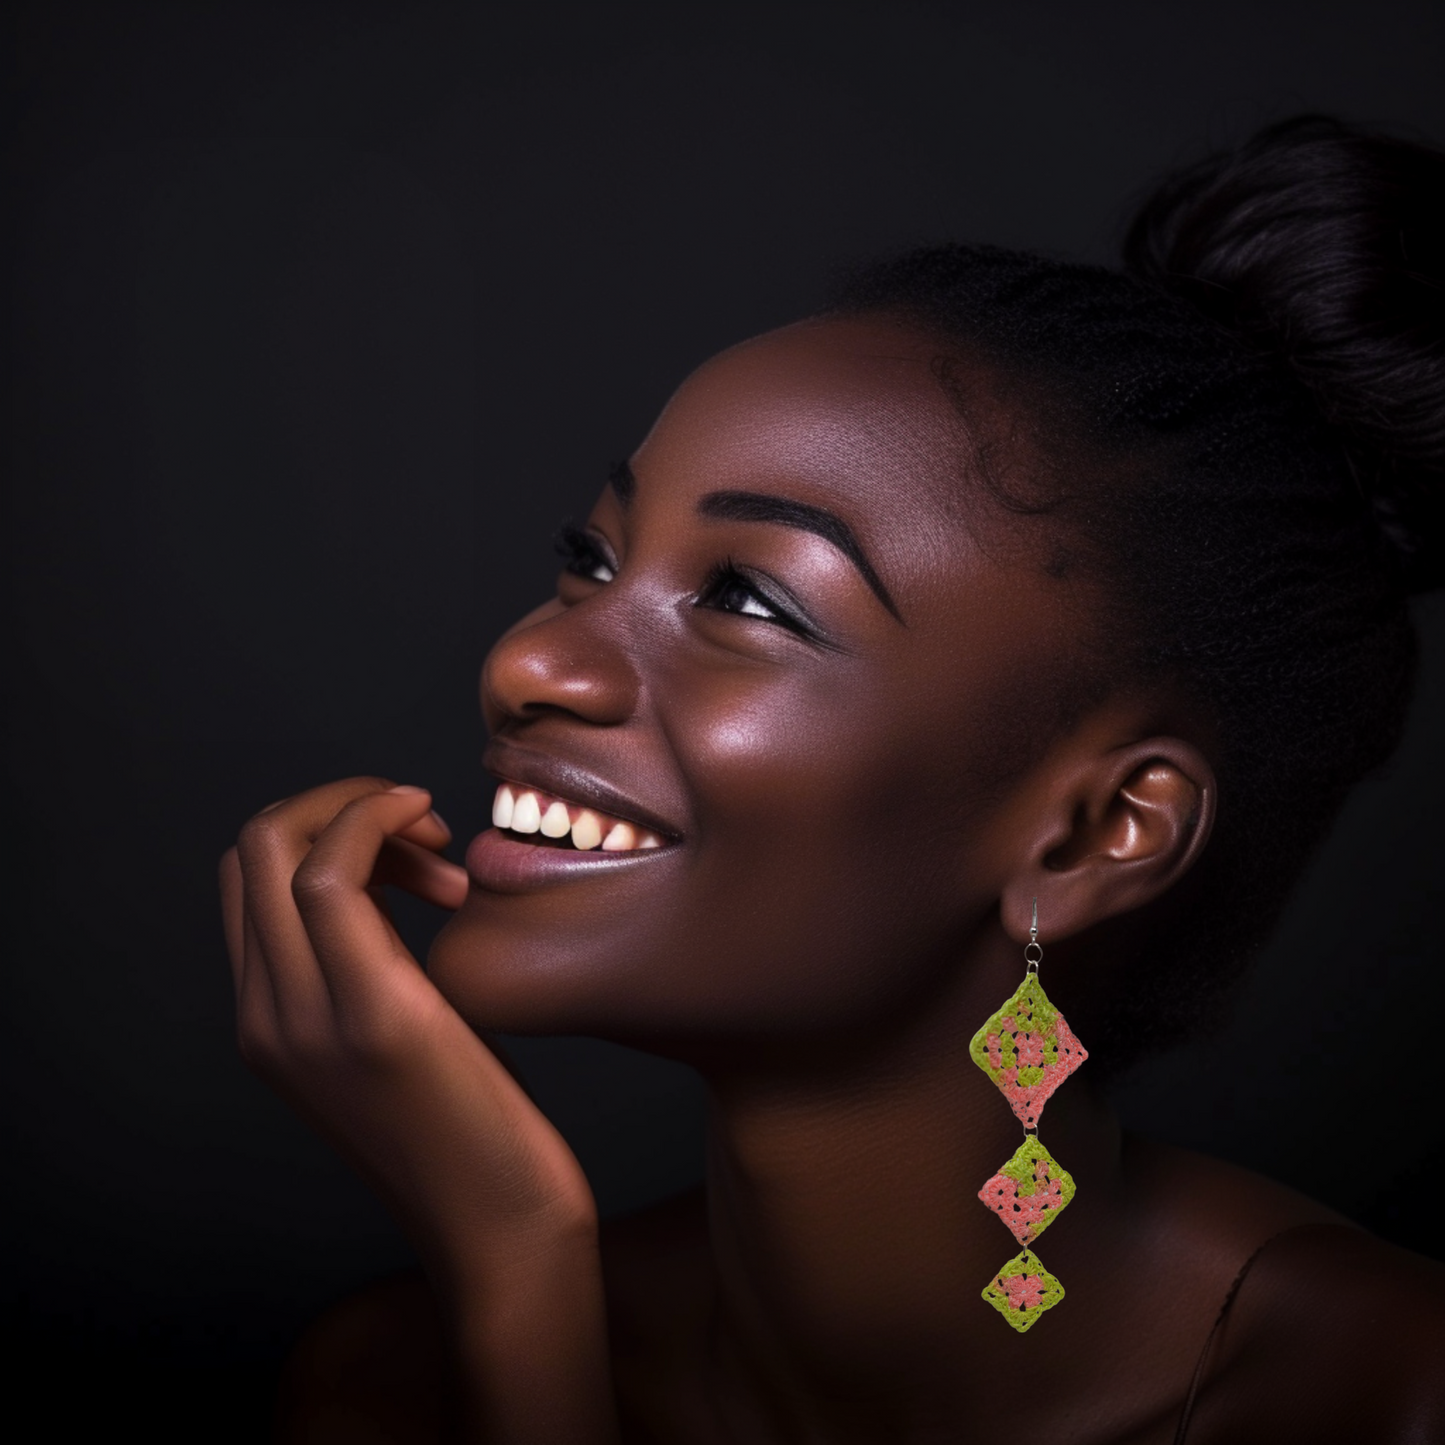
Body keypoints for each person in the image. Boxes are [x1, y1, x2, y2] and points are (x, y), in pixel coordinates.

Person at [220, 115, 1445, 1444]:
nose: (531, 662)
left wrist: (518, 1274)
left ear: (1095, 833)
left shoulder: (1377, 1397)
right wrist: (517, 1271)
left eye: (747, 597)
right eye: (591, 554)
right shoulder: (388, 1385)